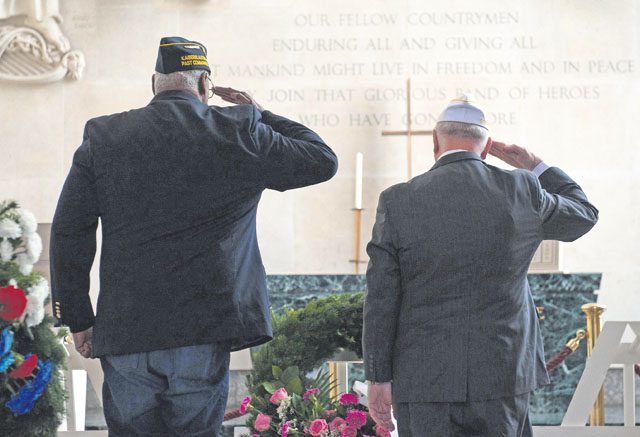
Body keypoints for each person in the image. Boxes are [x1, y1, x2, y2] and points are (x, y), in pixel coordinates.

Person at [50, 36, 338, 436]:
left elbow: (69, 230)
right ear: (205, 85)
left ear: (155, 83)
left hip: (128, 329)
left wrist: (76, 316)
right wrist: (261, 112)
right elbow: (321, 161)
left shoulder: (105, 136)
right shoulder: (239, 130)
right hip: (202, 331)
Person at [363, 94, 598, 436]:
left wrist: (378, 377)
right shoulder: (523, 189)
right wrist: (536, 166)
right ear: (487, 147)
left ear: (435, 141)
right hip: (502, 374)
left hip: (425, 378)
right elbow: (584, 216)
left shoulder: (398, 200)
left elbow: (381, 297)